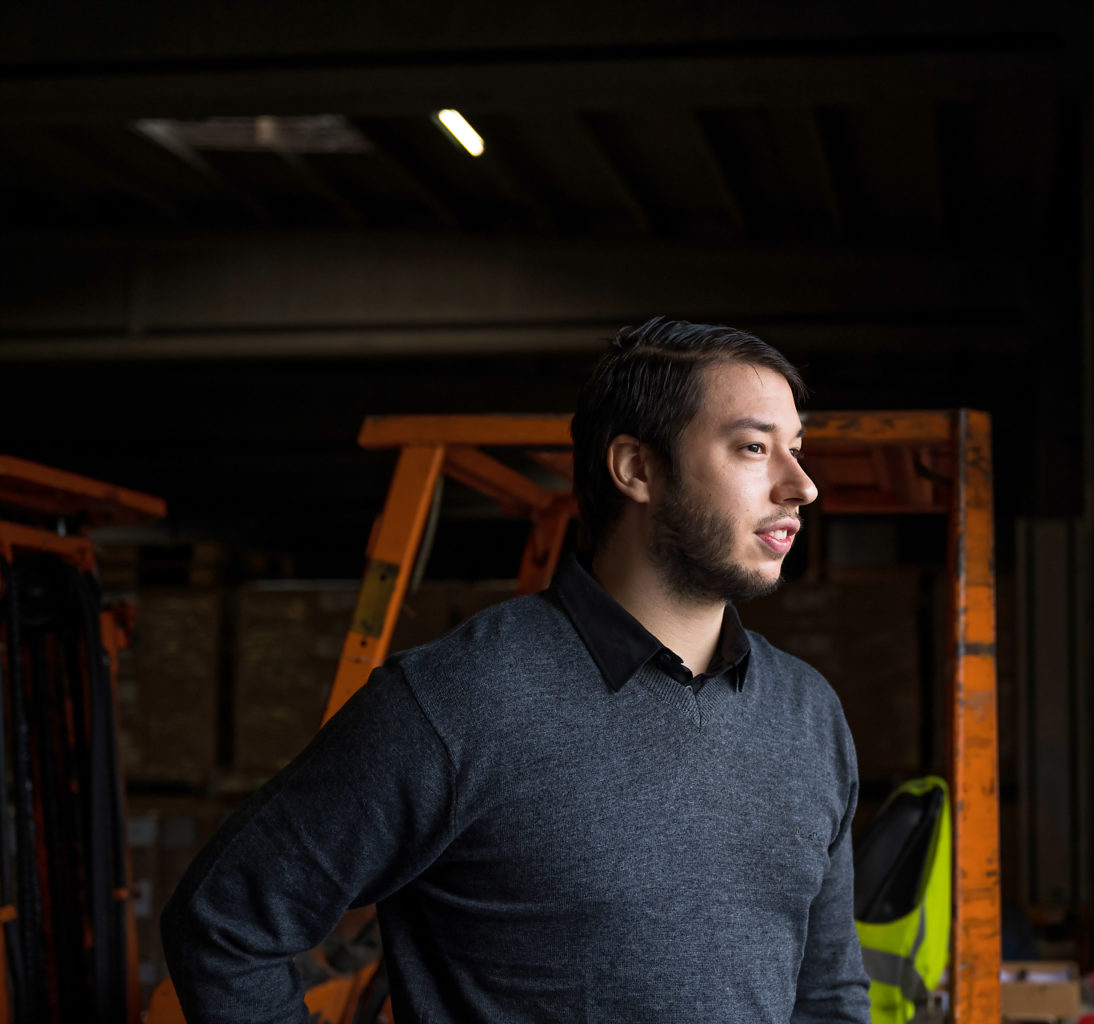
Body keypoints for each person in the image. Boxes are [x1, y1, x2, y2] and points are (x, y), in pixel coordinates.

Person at [161, 318, 871, 1023]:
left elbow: (829, 997)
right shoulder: (458, 701)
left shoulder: (807, 715)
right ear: (637, 469)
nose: (801, 486)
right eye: (753, 448)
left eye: (797, 450)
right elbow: (224, 927)